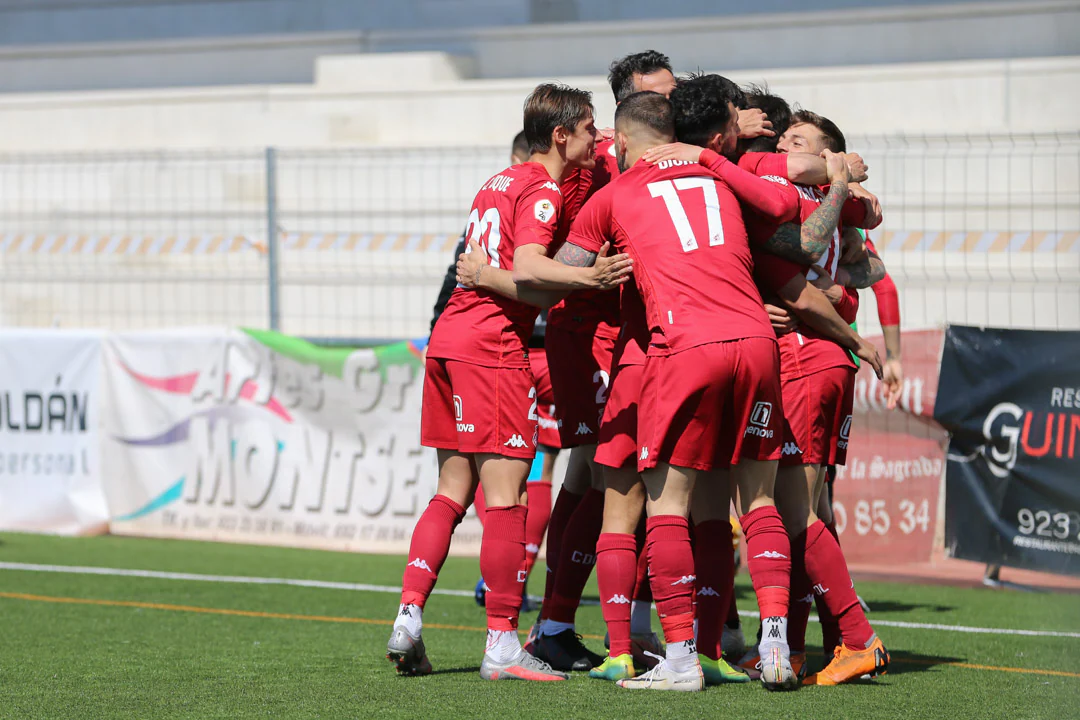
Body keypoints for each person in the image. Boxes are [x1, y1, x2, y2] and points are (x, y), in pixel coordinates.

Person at [564, 86, 808, 692]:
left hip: (684, 346)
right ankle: (773, 644)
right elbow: (782, 207)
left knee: (665, 502)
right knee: (757, 501)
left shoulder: (615, 192)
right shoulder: (717, 174)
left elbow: (557, 273)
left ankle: (677, 660)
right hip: (756, 341)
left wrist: (572, 273)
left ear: (620, 140)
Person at [386, 82, 630, 683]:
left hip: (448, 341)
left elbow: (506, 270)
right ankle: (501, 642)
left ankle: (409, 617)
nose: (598, 137)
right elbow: (526, 270)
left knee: (451, 489)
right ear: (560, 135)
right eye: (591, 127)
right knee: (509, 497)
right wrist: (595, 278)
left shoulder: (496, 181)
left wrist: (492, 274)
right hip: (492, 348)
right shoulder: (544, 189)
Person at [525, 50, 677, 672]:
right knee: (603, 471)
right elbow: (551, 251)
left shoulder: (674, 150)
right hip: (588, 332)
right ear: (628, 103)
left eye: (675, 91)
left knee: (605, 473)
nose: (671, 101)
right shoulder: (595, 163)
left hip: (632, 334)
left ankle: (591, 623)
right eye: (659, 94)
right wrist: (581, 277)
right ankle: (558, 623)